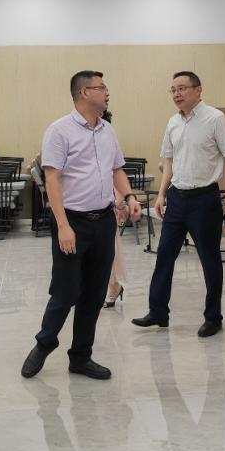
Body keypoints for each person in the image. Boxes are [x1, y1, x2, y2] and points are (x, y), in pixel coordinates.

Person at [21, 70, 142, 380]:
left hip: (103, 221)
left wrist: (129, 196)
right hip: (72, 221)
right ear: (84, 92)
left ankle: (80, 357)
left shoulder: (107, 130)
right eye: (102, 87)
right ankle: (44, 343)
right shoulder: (59, 131)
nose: (107, 92)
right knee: (66, 291)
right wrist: (62, 225)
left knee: (94, 292)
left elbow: (116, 169)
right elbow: (52, 179)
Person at [132, 71, 225, 337]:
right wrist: (161, 194)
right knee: (164, 255)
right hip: (177, 198)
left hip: (204, 199)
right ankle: (158, 312)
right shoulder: (173, 122)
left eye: (182, 88)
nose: (177, 94)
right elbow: (169, 160)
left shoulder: (215, 119)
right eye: (173, 90)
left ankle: (213, 317)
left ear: (198, 90)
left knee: (209, 259)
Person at [100, 109, 127, 309]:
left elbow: (115, 172)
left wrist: (120, 200)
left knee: (109, 252)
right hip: (90, 205)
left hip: (108, 203)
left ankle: (114, 286)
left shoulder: (107, 141)